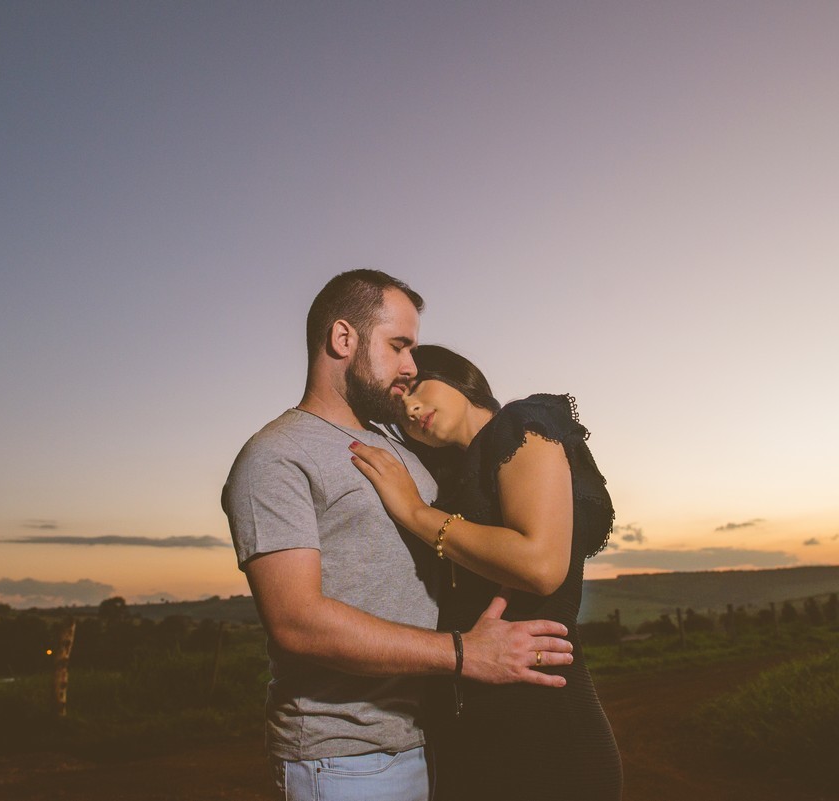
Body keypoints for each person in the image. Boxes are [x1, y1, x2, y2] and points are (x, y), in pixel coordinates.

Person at [222, 271, 575, 801]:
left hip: (435, 742)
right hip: (346, 759)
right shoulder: (276, 455)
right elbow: (296, 622)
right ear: (343, 339)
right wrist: (463, 654)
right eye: (398, 345)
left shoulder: (403, 444)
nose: (411, 365)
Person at [349, 344, 623, 801]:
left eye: (416, 386)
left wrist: (415, 513)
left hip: (544, 734)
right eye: (399, 412)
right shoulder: (455, 481)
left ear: (458, 376)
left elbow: (539, 566)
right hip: (468, 737)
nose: (411, 408)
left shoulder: (519, 425)